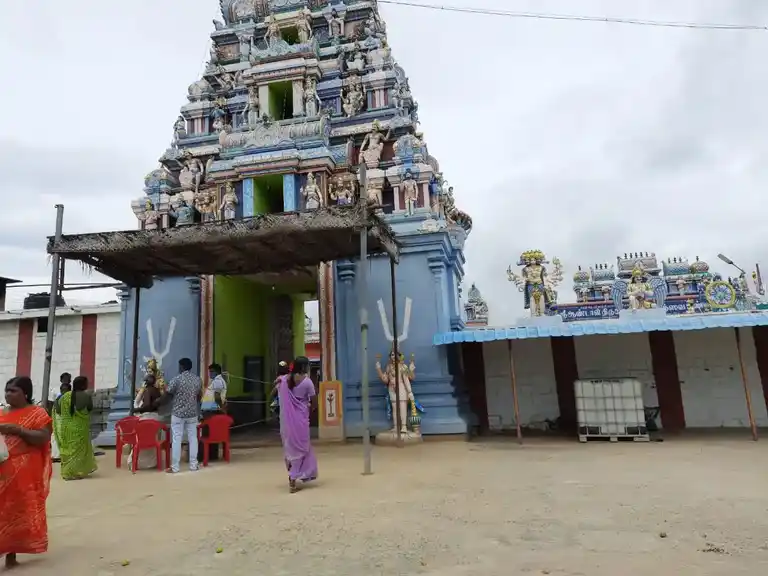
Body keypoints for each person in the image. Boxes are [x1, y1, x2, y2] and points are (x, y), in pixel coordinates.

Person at [0, 376, 52, 569]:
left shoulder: (37, 413)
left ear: (26, 393)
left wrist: (18, 430)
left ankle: (11, 554)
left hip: (25, 473)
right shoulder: (1, 413)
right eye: (6, 390)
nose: (8, 394)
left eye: (13, 391)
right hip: (2, 469)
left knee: (16, 512)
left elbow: (43, 437)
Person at [277, 356, 318, 493]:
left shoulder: (284, 380)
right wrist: (308, 408)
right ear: (304, 367)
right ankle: (293, 477)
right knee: (302, 447)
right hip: (301, 419)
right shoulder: (307, 382)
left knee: (291, 447)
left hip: (287, 421)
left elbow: (275, 390)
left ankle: (294, 474)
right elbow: (314, 402)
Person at [55, 375, 97, 480]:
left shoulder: (64, 396)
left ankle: (67, 471)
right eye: (86, 383)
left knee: (68, 450)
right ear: (83, 385)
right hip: (80, 428)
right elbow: (90, 408)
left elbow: (58, 410)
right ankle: (76, 472)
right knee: (79, 451)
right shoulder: (86, 396)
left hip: (66, 428)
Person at [166, 358, 202, 474]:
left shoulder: (176, 379)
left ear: (181, 366)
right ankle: (194, 465)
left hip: (178, 414)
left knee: (177, 439)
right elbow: (199, 396)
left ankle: (175, 467)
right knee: (193, 438)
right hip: (192, 413)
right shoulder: (197, 380)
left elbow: (168, 393)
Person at [128, 374, 164, 471]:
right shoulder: (157, 391)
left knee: (141, 439)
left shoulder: (147, 390)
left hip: (147, 418)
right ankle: (153, 462)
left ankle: (136, 462)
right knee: (154, 440)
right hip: (156, 418)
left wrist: (137, 410)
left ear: (146, 382)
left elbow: (147, 406)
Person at [50, 374, 72, 463]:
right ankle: (57, 455)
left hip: (63, 420)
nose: (67, 380)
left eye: (68, 379)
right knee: (57, 437)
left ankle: (61, 455)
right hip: (59, 420)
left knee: (60, 436)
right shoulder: (56, 393)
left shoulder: (69, 396)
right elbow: (54, 406)